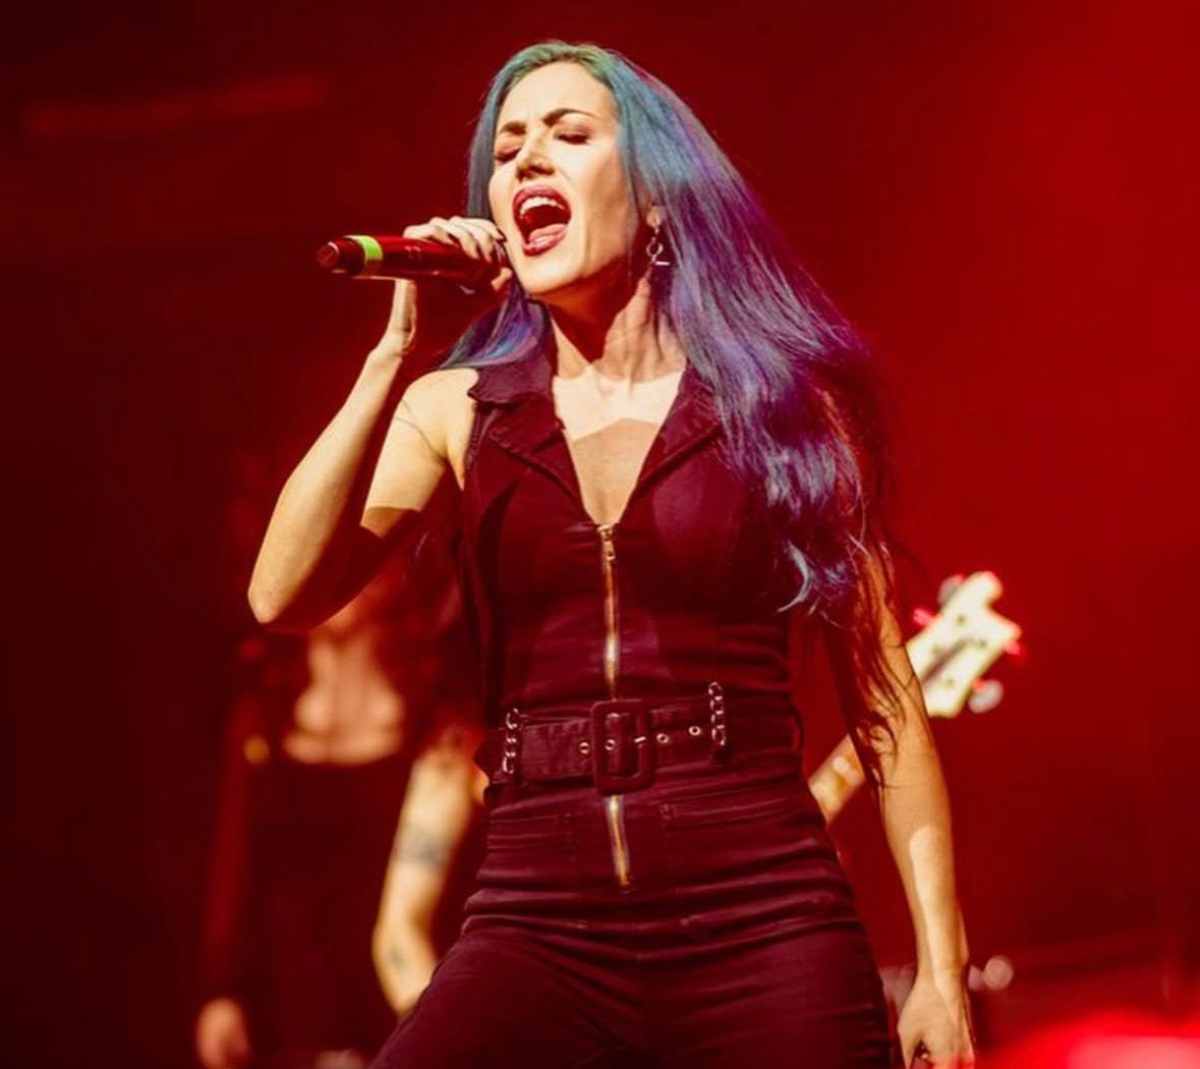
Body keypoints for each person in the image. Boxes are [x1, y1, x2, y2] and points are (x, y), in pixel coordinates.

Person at [249, 39, 975, 1069]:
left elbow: (885, 701)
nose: (527, 161)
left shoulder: (778, 409)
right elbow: (280, 595)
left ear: (656, 200)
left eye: (568, 134)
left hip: (759, 909)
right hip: (537, 918)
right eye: (507, 150)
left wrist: (942, 969)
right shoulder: (457, 410)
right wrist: (388, 359)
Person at [197, 543, 480, 1069]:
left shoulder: (432, 732)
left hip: (398, 1005)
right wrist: (222, 989)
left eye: (345, 557)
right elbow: (234, 866)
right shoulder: (265, 722)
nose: (331, 580)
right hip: (287, 1014)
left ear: (388, 577)